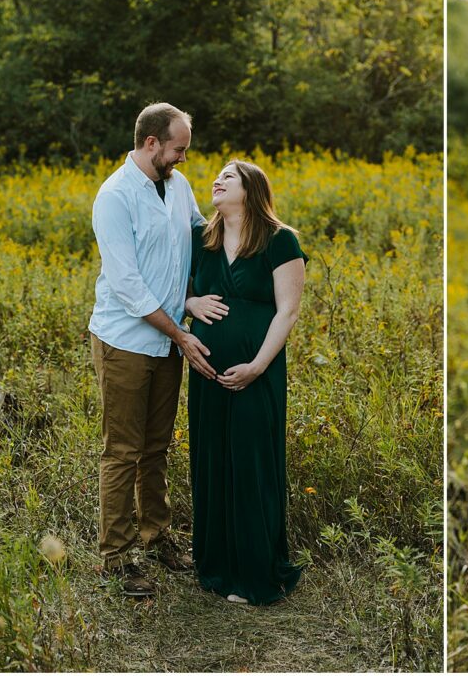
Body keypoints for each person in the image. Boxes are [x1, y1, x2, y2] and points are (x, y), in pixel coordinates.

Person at [89, 102, 216, 597]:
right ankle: (116, 558)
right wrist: (181, 332)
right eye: (179, 148)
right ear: (151, 144)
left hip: (166, 340)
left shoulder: (177, 186)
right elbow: (129, 286)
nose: (184, 158)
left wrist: (256, 224)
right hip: (126, 340)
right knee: (123, 451)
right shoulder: (115, 196)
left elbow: (199, 236)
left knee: (157, 447)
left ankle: (157, 534)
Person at [184, 159, 306, 605]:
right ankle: (216, 568)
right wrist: (192, 302)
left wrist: (256, 366)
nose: (216, 181)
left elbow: (287, 311)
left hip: (258, 372)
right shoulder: (203, 240)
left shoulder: (280, 240)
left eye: (228, 177)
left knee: (251, 463)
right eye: (216, 176)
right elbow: (179, 291)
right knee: (212, 460)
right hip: (206, 371)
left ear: (251, 188)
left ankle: (255, 572)